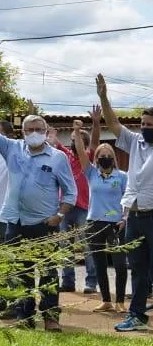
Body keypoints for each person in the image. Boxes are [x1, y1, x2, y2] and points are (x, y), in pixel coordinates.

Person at [97, 74, 153, 335]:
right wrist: (103, 96)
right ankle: (136, 315)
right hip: (134, 214)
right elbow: (112, 123)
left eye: (149, 123)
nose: (144, 126)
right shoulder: (134, 141)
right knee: (138, 267)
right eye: (142, 123)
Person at [0, 115, 78, 331]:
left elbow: (71, 192)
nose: (33, 133)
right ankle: (23, 317)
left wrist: (59, 216)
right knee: (19, 272)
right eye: (29, 129)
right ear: (22, 132)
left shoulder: (58, 157)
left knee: (47, 272)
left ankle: (50, 317)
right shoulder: (12, 149)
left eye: (38, 128)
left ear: (45, 130)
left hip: (45, 224)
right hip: (15, 222)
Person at [72, 123, 127, 313]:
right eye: (101, 156)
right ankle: (106, 300)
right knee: (99, 263)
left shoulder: (122, 177)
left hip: (115, 224)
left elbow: (128, 200)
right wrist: (77, 132)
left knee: (120, 264)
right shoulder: (91, 173)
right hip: (94, 222)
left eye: (108, 156)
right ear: (96, 158)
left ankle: (120, 301)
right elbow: (80, 151)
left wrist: (125, 218)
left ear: (114, 158)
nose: (105, 158)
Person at [51, 118, 94, 293]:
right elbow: (57, 145)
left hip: (84, 207)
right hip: (66, 207)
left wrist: (79, 130)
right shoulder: (65, 155)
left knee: (87, 246)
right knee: (64, 246)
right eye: (72, 139)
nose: (73, 142)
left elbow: (92, 141)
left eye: (77, 139)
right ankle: (68, 282)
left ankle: (91, 283)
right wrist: (53, 137)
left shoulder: (89, 156)